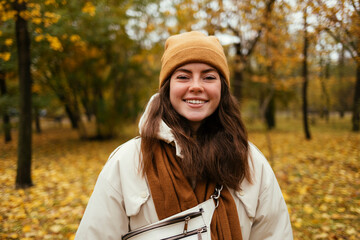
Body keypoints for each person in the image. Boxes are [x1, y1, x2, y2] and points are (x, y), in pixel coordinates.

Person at [75, 31, 293, 240]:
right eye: (183, 76)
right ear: (168, 87)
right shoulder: (126, 162)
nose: (196, 86)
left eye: (208, 77)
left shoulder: (251, 162)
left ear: (222, 88)